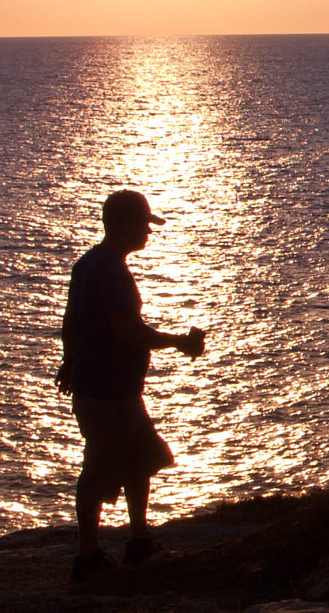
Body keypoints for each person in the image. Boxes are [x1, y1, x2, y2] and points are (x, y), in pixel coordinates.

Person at [56, 190, 207, 583]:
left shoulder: (88, 263)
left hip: (117, 389)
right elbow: (128, 331)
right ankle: (87, 559)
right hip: (108, 394)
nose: (148, 231)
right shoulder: (112, 272)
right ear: (123, 225)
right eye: (143, 223)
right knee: (99, 469)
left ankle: (138, 542)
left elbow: (70, 322)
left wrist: (69, 362)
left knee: (141, 457)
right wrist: (178, 342)